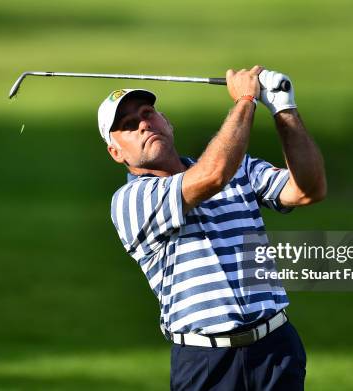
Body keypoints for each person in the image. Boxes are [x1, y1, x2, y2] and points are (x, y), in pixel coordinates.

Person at [98, 65, 326, 390]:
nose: (144, 124)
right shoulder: (131, 200)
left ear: (167, 123)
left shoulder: (240, 167)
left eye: (148, 114)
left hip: (275, 349)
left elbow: (309, 189)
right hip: (206, 362)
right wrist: (246, 100)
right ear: (115, 152)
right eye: (129, 126)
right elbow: (211, 176)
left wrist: (283, 108)